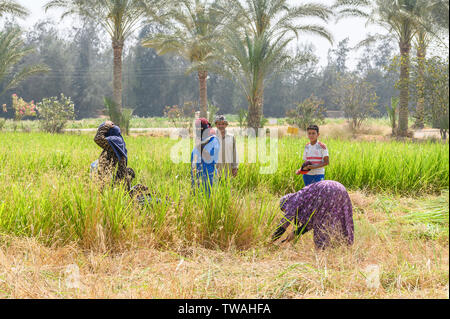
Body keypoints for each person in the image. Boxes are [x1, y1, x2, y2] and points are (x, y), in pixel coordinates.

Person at [272, 180, 354, 250]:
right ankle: (342, 246)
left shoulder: (293, 202)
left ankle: (322, 251)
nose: (286, 211)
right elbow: (310, 223)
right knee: (338, 218)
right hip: (340, 188)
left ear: (286, 204)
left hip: (327, 190)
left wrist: (271, 240)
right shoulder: (302, 197)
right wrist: (295, 233)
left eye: (284, 210)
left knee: (321, 224)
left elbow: (283, 224)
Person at [94, 120, 132, 190]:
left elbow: (98, 138)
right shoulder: (118, 142)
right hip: (117, 183)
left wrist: (106, 126)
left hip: (109, 183)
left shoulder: (113, 141)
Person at [191, 118, 220, 196]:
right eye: (196, 128)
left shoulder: (213, 140)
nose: (198, 130)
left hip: (209, 176)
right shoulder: (199, 139)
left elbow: (210, 159)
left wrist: (199, 146)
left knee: (208, 198)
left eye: (200, 128)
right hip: (197, 175)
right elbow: (194, 159)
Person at [214, 115, 239, 179]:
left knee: (227, 187)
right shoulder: (212, 137)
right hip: (215, 170)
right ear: (216, 125)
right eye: (219, 124)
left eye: (223, 124)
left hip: (228, 170)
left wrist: (235, 167)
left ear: (226, 125)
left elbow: (234, 152)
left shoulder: (231, 137)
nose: (221, 126)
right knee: (216, 188)